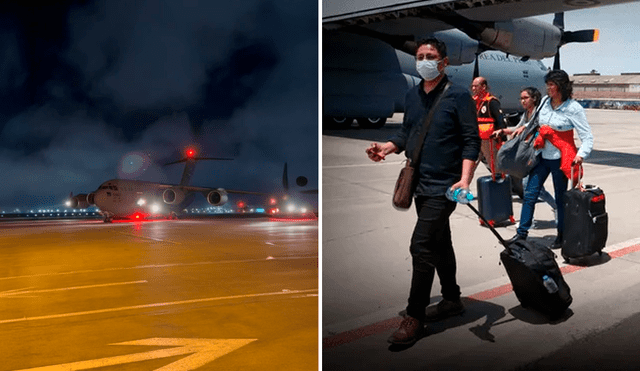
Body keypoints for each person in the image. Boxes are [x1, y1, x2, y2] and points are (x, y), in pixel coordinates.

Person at [365, 38, 480, 346]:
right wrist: (387, 147)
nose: (424, 61)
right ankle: (453, 299)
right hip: (419, 183)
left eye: (430, 56)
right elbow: (408, 132)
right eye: (420, 56)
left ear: (443, 62)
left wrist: (465, 180)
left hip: (446, 186)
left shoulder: (458, 96)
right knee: (440, 242)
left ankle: (414, 317)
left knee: (421, 246)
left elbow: (472, 141)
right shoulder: (413, 95)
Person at [503, 70, 593, 248]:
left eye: (551, 84)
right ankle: (521, 234)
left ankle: (561, 234)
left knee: (560, 198)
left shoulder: (573, 108)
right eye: (548, 84)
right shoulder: (544, 102)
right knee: (530, 194)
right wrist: (517, 129)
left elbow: (587, 137)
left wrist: (580, 155)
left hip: (561, 159)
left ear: (561, 86)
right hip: (541, 156)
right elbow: (535, 122)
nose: (548, 88)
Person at [492, 87, 557, 221]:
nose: (523, 101)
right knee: (537, 189)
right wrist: (502, 131)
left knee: (529, 187)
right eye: (521, 98)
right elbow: (517, 129)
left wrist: (526, 128)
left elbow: (539, 127)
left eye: (525, 98)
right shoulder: (526, 113)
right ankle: (556, 208)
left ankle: (527, 221)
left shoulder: (540, 113)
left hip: (539, 153)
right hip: (528, 153)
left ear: (534, 98)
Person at [471, 77, 507, 172]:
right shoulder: (473, 101)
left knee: (495, 167)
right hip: (475, 139)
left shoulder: (491, 102)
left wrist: (503, 140)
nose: (473, 89)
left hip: (489, 141)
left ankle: (502, 184)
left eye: (476, 86)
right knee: (468, 167)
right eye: (472, 86)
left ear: (483, 87)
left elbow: (500, 121)